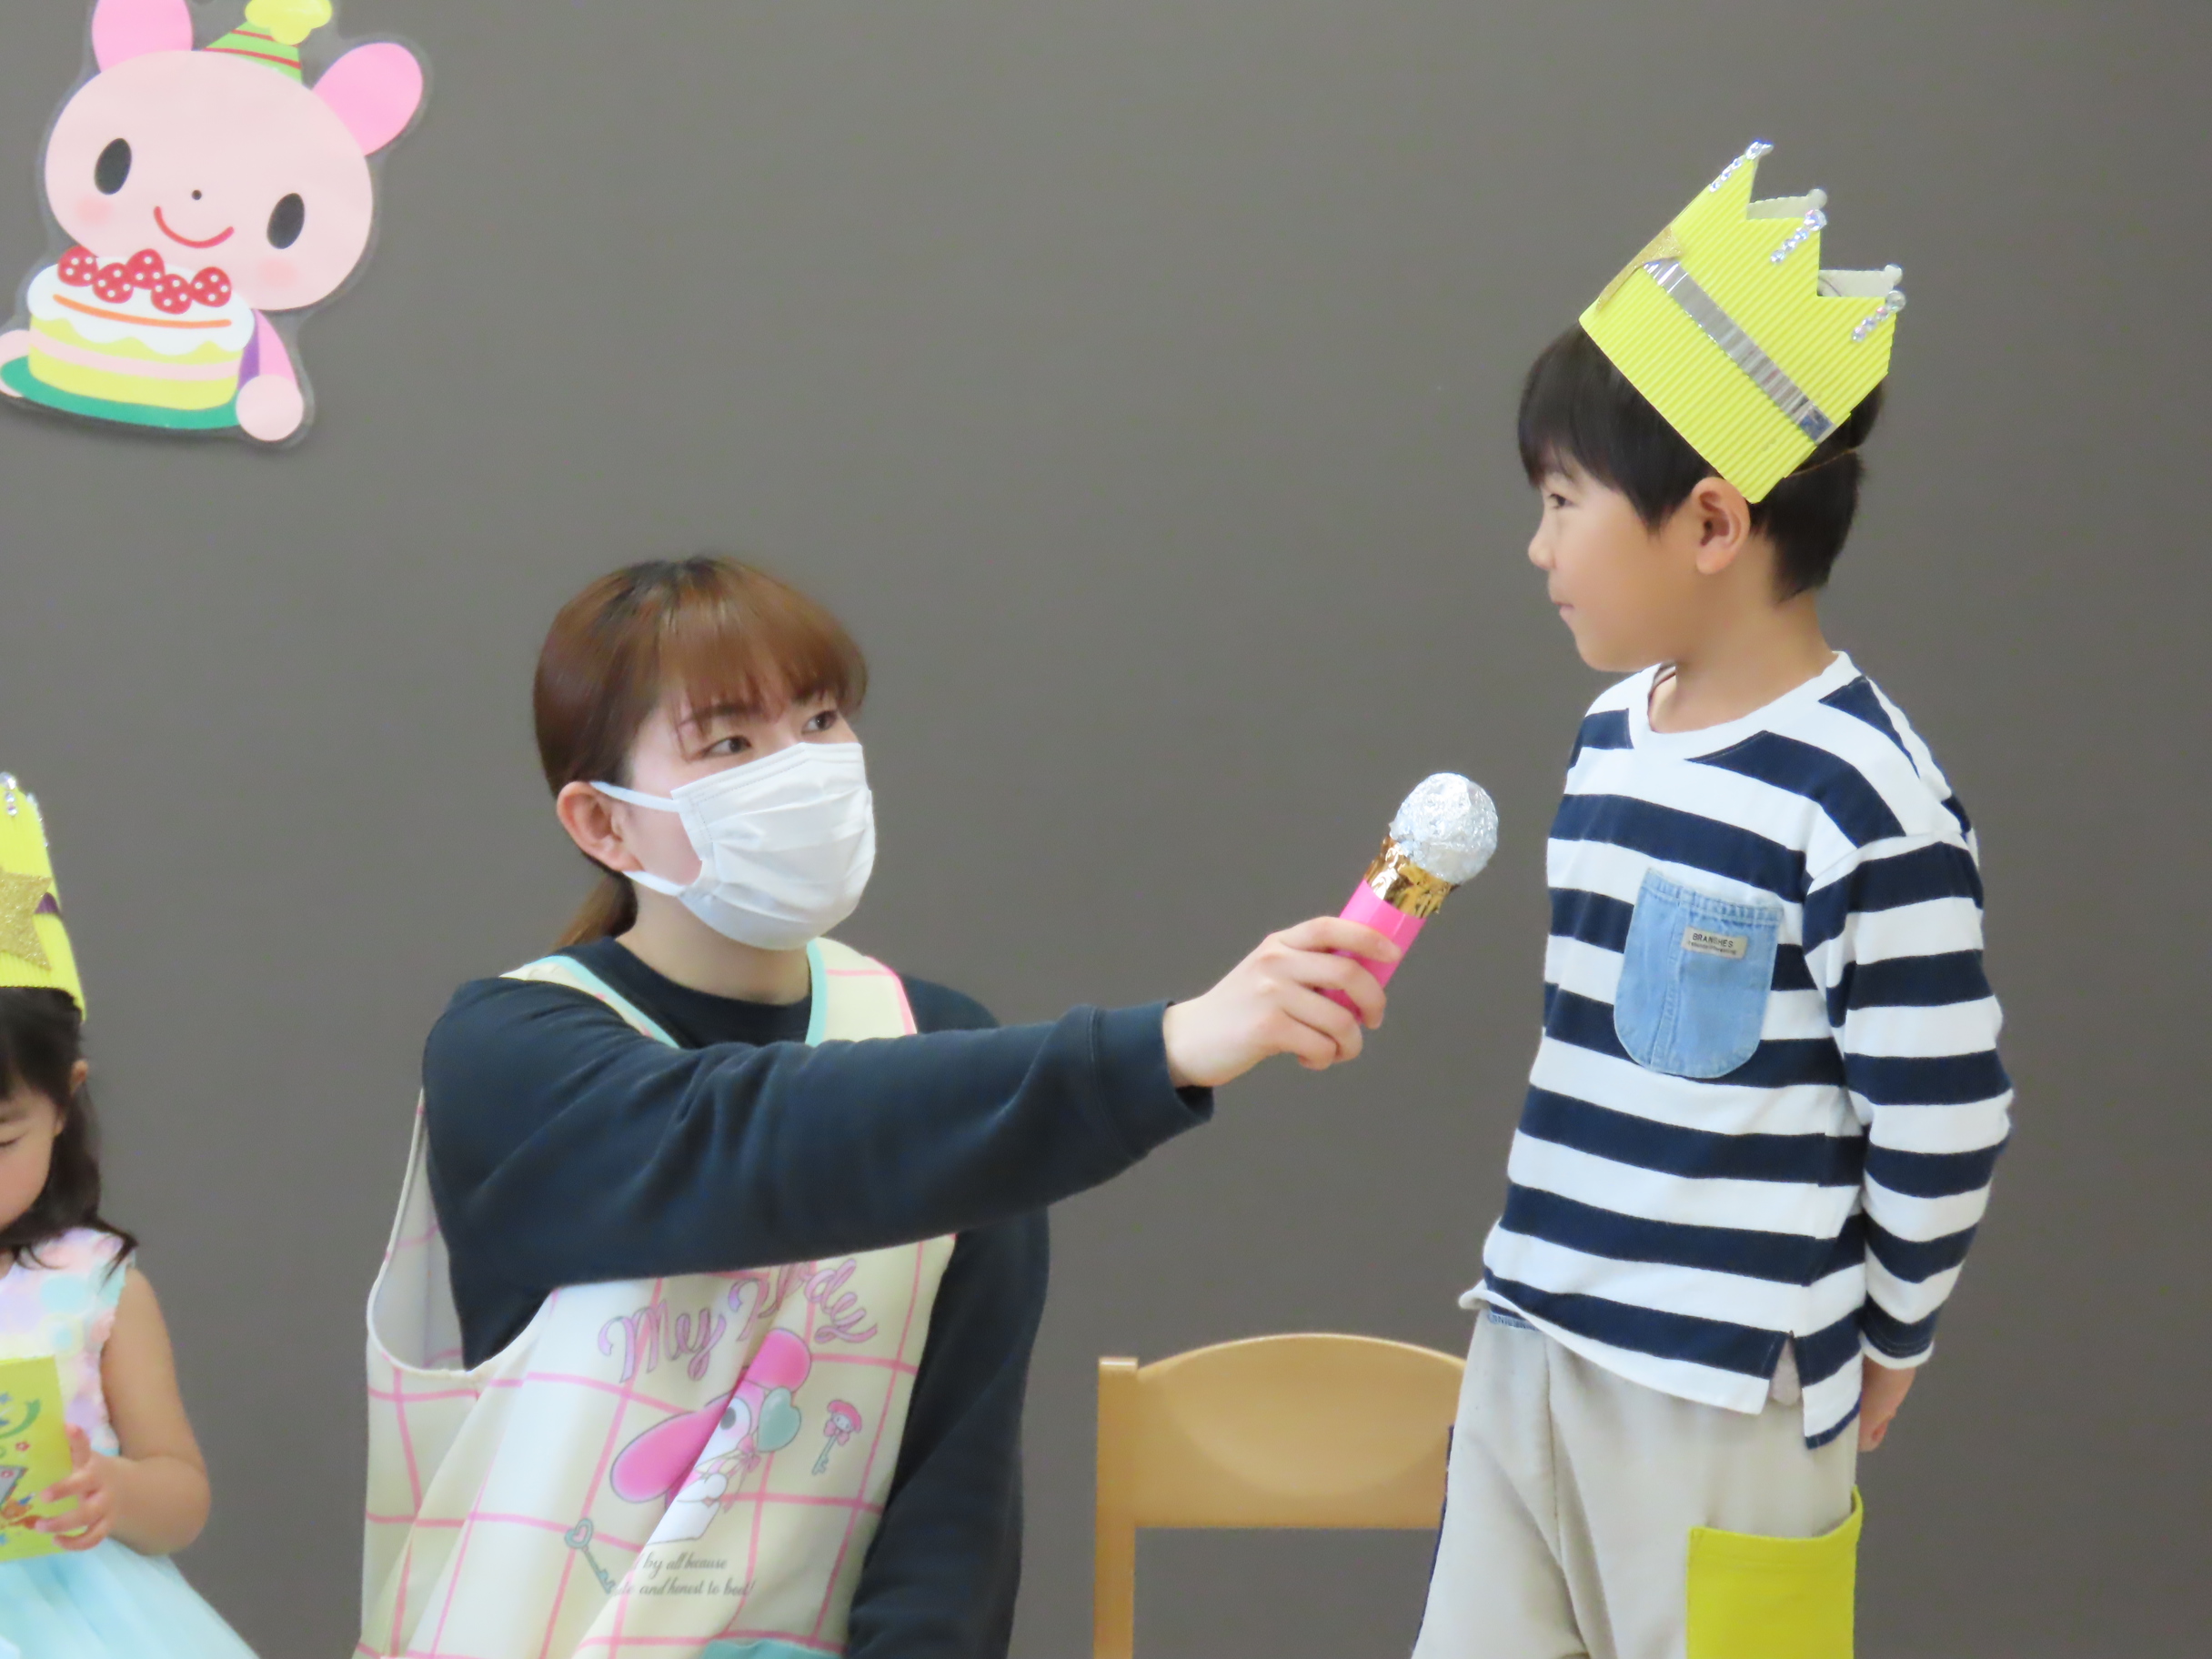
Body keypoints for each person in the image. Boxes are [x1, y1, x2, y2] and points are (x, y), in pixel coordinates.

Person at [361, 555, 1399, 1659]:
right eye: (729, 744)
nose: (799, 769)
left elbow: (953, 1490)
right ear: (604, 824)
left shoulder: (939, 1051)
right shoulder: (508, 1054)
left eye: (819, 720)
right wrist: (1162, 1048)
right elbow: (743, 1140)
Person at [1413, 142, 2012, 1659]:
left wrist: (1889, 1333)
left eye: (1564, 501)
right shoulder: (1611, 734)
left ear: (1710, 523)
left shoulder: (1863, 794)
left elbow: (1943, 1113)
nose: (1538, 546)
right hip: (1533, 1332)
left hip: (1727, 1385)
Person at [0, 777, 258, 1659]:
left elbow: (181, 1494)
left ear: (63, 1102)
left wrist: (110, 1488)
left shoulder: (93, 1286)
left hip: (70, 1617)